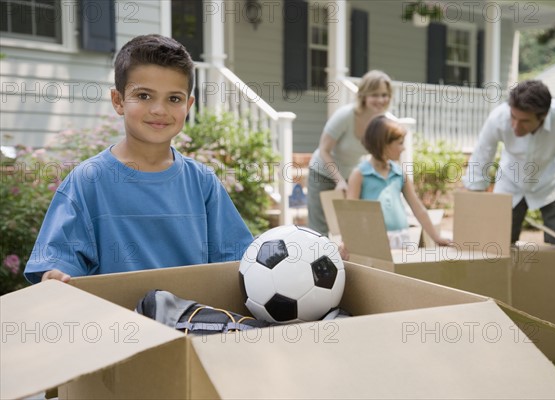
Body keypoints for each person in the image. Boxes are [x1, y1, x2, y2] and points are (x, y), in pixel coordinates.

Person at [24, 34, 254, 284]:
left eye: (173, 99)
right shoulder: (88, 181)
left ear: (188, 106)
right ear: (118, 100)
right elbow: (59, 265)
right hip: (115, 321)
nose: (159, 110)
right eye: (144, 96)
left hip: (192, 322)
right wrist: (53, 276)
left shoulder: (202, 183)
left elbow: (237, 263)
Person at [463, 80, 555, 249]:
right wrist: (473, 220)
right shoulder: (498, 118)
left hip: (554, 184)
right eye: (513, 117)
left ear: (543, 116)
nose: (515, 126)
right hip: (510, 183)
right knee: (496, 247)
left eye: (524, 121)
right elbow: (478, 168)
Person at [307, 70, 393, 235]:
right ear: (364, 95)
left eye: (385, 95)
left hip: (351, 175)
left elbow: (379, 154)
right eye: (375, 94)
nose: (381, 100)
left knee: (352, 227)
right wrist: (339, 180)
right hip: (322, 172)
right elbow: (324, 149)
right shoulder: (346, 115)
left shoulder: (382, 122)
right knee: (319, 230)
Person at [347, 115, 450, 248]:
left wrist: (436, 238)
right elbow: (349, 213)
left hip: (401, 239)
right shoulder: (360, 174)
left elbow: (417, 208)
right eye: (400, 143)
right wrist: (348, 242)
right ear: (383, 144)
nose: (403, 148)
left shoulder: (399, 174)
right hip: (373, 241)